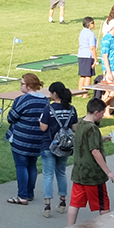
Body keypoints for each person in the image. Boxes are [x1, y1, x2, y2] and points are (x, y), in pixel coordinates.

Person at [65, 99, 114, 226]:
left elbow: (85, 141)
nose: (103, 115)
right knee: (103, 204)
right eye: (102, 113)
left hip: (79, 172)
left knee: (75, 203)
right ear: (96, 112)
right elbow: (95, 151)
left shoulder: (81, 124)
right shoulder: (93, 129)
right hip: (93, 175)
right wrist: (108, 172)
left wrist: (102, 139)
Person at [5, 74, 50, 206]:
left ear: (29, 86)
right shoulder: (45, 101)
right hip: (38, 139)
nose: (20, 85)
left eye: (22, 83)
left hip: (21, 139)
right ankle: (29, 194)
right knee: (32, 165)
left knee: (21, 165)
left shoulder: (22, 100)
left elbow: (11, 118)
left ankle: (22, 196)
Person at [36, 83, 77, 217]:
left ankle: (47, 205)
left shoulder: (48, 109)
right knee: (61, 173)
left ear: (54, 94)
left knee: (48, 175)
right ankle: (62, 202)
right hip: (65, 146)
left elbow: (43, 128)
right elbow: (75, 128)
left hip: (49, 145)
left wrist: (39, 121)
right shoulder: (72, 109)